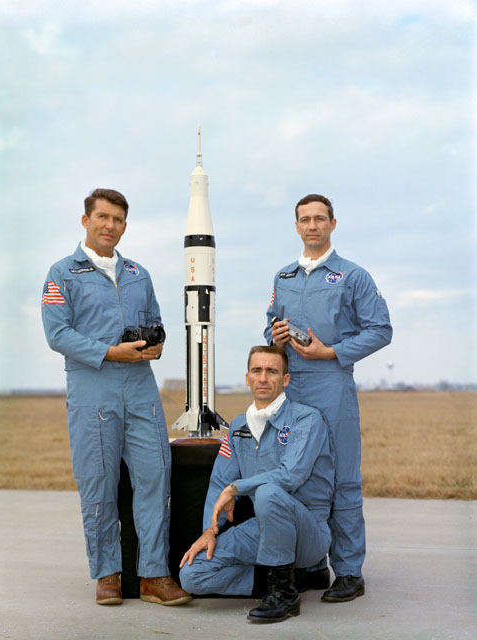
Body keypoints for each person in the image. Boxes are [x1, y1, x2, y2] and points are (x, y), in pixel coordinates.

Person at [41, 188, 191, 607]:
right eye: (103, 217)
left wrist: (155, 345)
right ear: (85, 220)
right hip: (93, 391)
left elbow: (156, 323)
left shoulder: (139, 273)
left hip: (141, 389)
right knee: (99, 485)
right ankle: (107, 573)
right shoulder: (62, 273)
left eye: (118, 220)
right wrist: (109, 352)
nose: (110, 226)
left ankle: (154, 575)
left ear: (126, 225)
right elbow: (58, 334)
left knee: (155, 479)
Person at [264, 193, 392, 602]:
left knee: (341, 481)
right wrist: (276, 337)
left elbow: (380, 329)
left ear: (333, 224)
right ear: (296, 225)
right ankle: (313, 565)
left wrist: (331, 352)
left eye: (320, 219)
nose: (313, 226)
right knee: (299, 478)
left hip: (331, 383)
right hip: (291, 389)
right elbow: (269, 327)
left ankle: (350, 572)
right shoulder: (283, 277)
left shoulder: (353, 276)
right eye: (305, 219)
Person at [179, 345, 334, 624]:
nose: (263, 378)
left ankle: (285, 595)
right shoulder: (238, 427)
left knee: (268, 492)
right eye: (257, 371)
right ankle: (283, 578)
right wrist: (209, 530)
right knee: (192, 575)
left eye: (272, 371)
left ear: (285, 379)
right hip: (261, 529)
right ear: (247, 378)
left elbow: (291, 475)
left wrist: (236, 488)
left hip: (306, 533)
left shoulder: (306, 419)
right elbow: (219, 482)